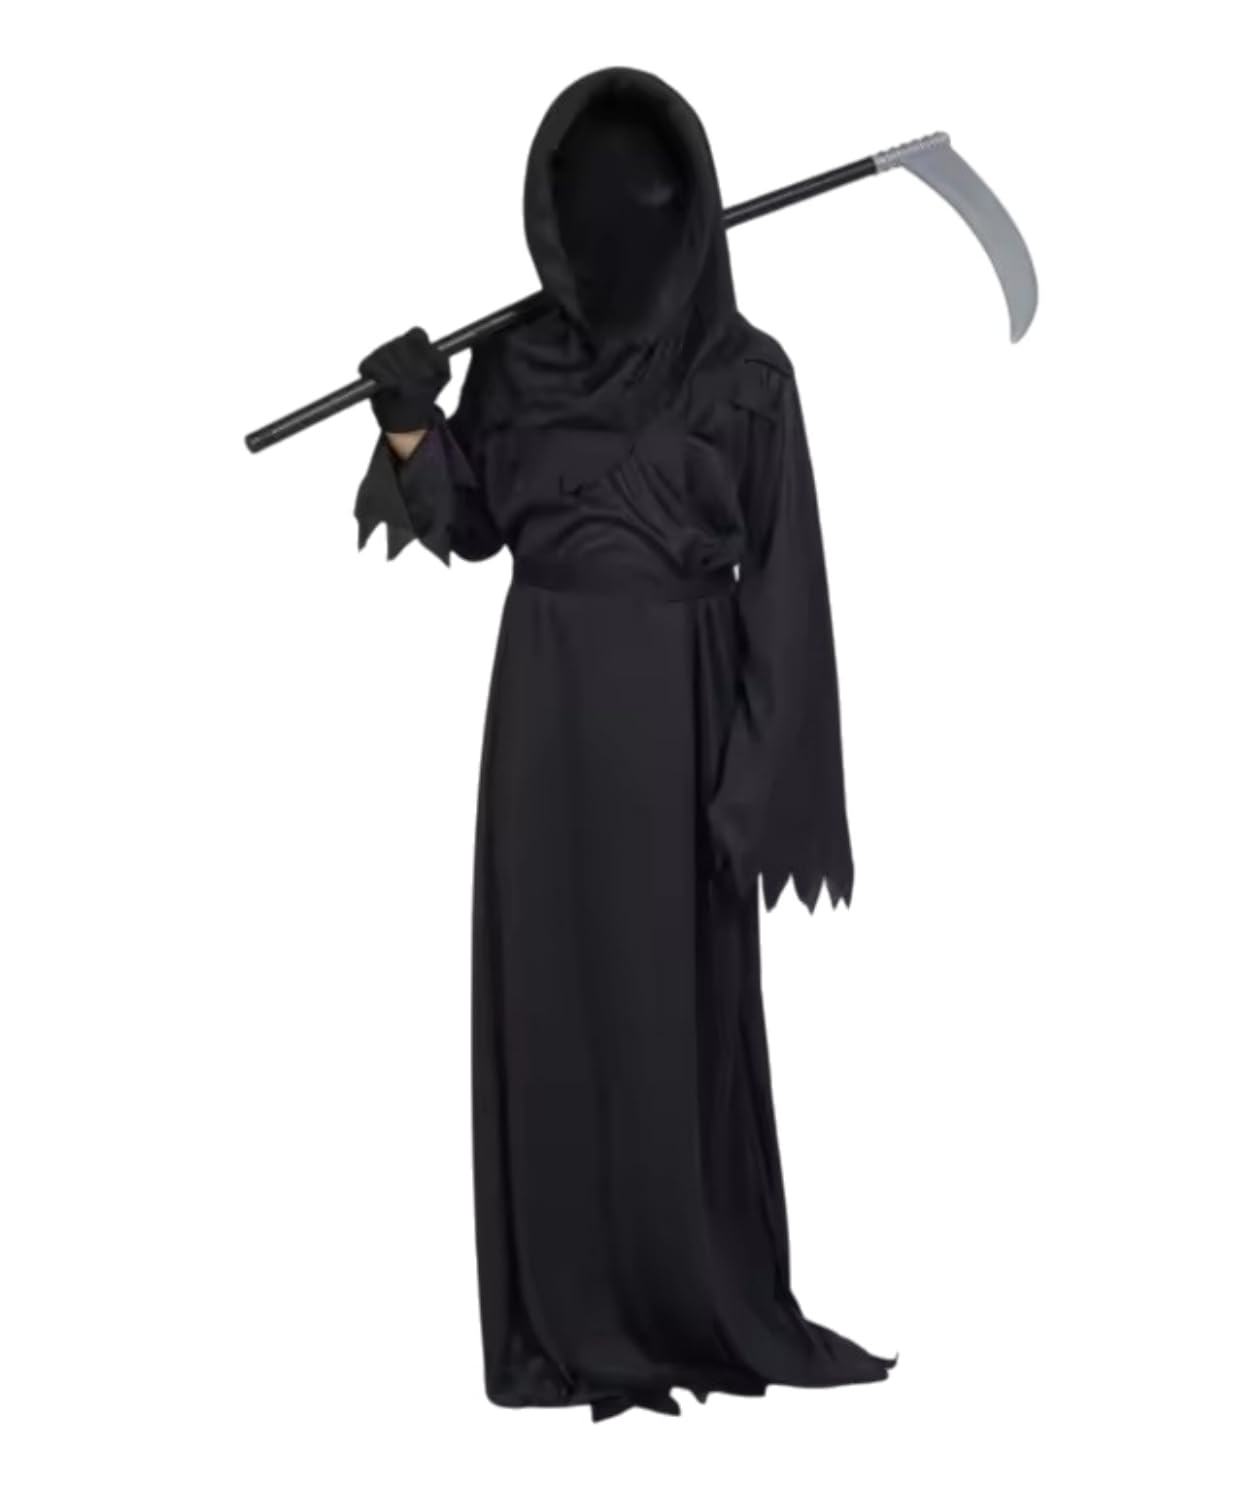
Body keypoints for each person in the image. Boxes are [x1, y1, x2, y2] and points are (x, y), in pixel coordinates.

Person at [355, 65, 895, 1422]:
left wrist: (760, 778)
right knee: (551, 996)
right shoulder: (520, 361)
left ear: (691, 210)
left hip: (682, 716)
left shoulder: (746, 375)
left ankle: (685, 1291)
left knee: (673, 1009)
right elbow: (475, 524)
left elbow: (787, 582)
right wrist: (415, 422)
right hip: (545, 710)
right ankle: (563, 1311)